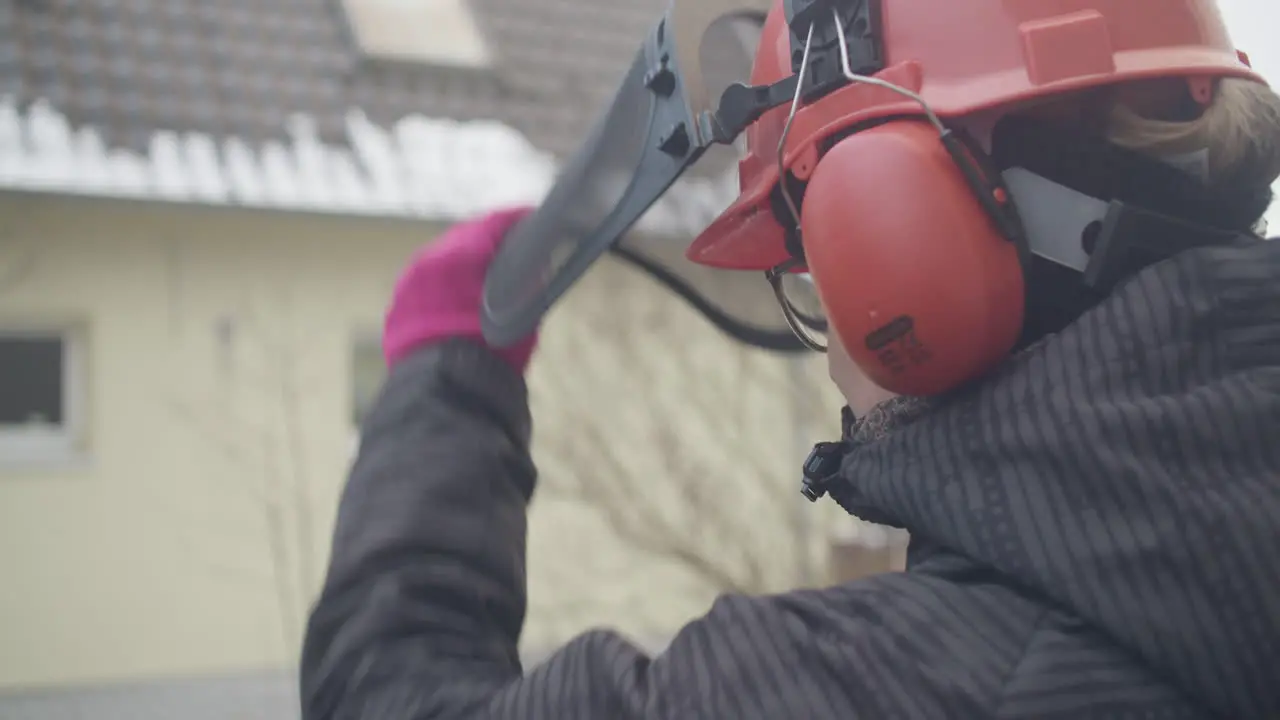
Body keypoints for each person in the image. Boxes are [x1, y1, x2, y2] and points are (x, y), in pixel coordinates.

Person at [300, 1, 1280, 718]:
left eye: (820, 270)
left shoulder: (871, 687)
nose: (831, 364)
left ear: (899, 243)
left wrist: (445, 379)